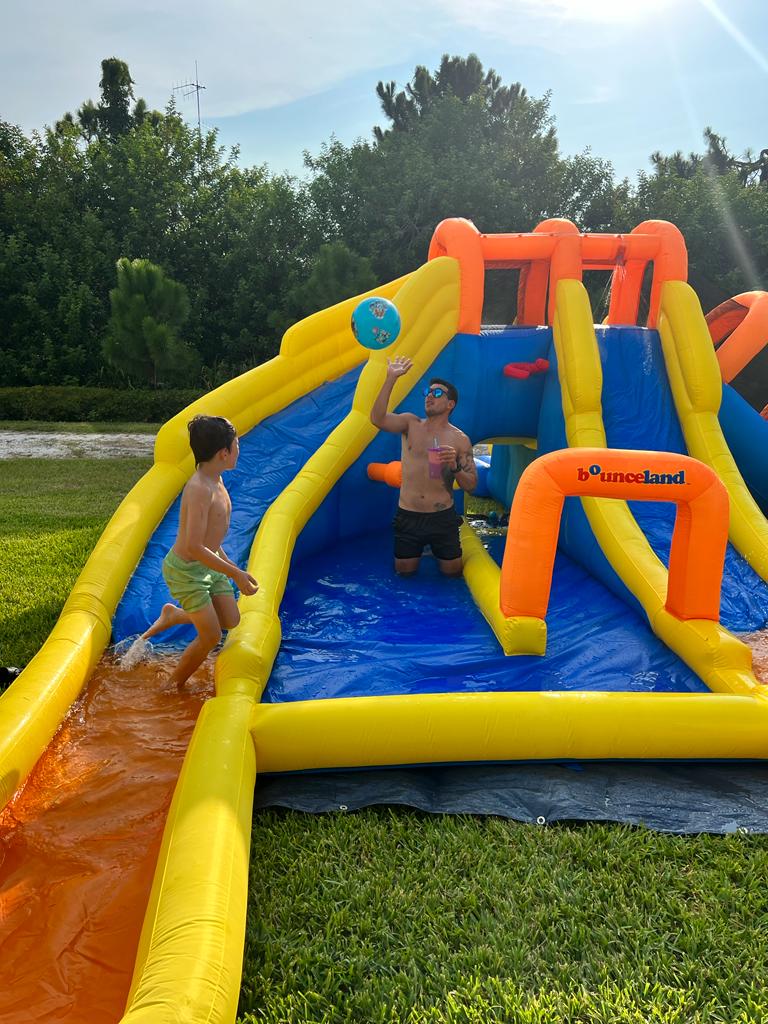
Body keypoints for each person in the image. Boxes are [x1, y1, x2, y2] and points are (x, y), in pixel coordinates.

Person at [123, 415, 258, 686]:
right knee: (210, 637)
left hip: (209, 564)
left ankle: (173, 615)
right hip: (187, 570)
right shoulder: (199, 489)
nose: (239, 450)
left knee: (230, 620)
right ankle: (173, 685)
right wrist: (235, 574)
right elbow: (195, 547)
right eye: (237, 445)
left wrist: (232, 568)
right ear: (224, 453)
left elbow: (212, 538)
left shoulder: (216, 479)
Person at [370, 356, 477, 575]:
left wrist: (455, 466)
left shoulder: (459, 440)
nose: (429, 396)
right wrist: (391, 378)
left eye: (437, 393)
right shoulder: (410, 424)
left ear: (450, 404)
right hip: (408, 515)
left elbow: (472, 485)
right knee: (405, 573)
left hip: (442, 517)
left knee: (452, 573)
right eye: (427, 392)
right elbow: (377, 418)